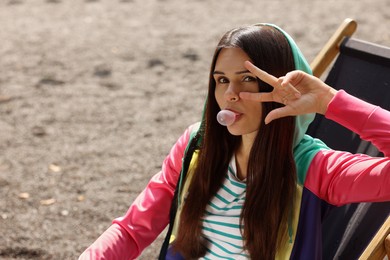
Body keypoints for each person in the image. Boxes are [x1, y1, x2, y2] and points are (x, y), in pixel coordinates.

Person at [79, 24, 390, 259]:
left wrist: (329, 101)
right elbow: (132, 231)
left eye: (247, 78)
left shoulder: (315, 169)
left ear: (279, 84)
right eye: (222, 80)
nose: (229, 94)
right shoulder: (196, 146)